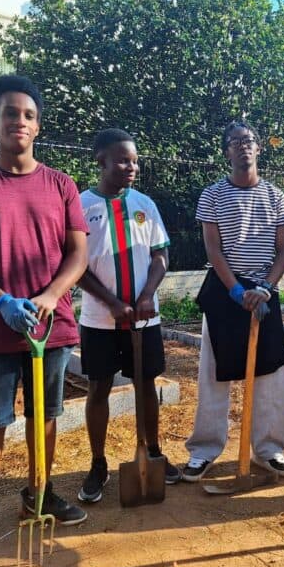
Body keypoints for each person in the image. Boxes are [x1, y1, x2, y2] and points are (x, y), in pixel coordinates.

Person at [0, 75, 89, 558]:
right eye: (9, 113)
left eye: (27, 115)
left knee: (44, 417)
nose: (18, 121)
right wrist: (2, 300)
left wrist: (48, 297)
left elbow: (78, 256)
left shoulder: (61, 184)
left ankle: (38, 493)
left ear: (38, 126)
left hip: (51, 325)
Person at [182, 121, 284, 482]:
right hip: (224, 291)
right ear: (226, 152)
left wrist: (265, 287)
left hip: (264, 292)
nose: (243, 146)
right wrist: (234, 289)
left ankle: (269, 449)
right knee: (214, 375)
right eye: (234, 142)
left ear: (259, 148)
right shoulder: (212, 195)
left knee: (273, 376)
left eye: (248, 140)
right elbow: (213, 250)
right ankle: (204, 450)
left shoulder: (276, 196)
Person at [76, 128, 180, 503]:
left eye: (134, 160)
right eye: (122, 160)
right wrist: (111, 303)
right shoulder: (80, 204)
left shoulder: (144, 204)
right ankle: (98, 463)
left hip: (144, 318)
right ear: (100, 160)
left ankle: (152, 450)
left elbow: (160, 255)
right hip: (99, 321)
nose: (131, 167)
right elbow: (77, 266)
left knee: (146, 384)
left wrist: (147, 294)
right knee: (98, 387)